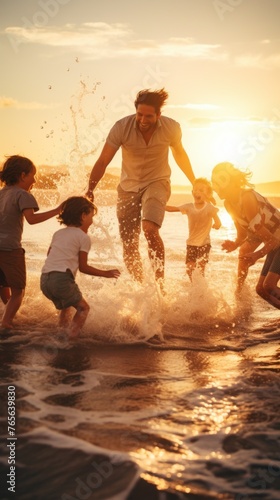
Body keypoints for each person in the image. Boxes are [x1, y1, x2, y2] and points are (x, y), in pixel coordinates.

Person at [86, 88, 195, 286]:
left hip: (157, 182)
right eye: (139, 115)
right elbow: (103, 161)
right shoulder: (121, 127)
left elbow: (180, 154)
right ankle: (141, 288)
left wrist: (194, 182)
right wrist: (90, 190)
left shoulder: (171, 128)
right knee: (129, 244)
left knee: (150, 229)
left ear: (158, 115)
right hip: (127, 187)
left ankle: (160, 287)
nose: (143, 120)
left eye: (149, 116)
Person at [40, 196, 121, 338]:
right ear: (83, 216)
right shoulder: (83, 237)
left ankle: (61, 331)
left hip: (45, 280)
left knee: (66, 306)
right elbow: (83, 267)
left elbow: (49, 255)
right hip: (61, 280)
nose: (92, 221)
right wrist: (105, 273)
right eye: (91, 216)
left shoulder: (58, 233)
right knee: (83, 308)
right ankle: (70, 338)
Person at [0, 155, 63, 329]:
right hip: (11, 250)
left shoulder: (1, 193)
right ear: (22, 175)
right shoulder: (23, 195)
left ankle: (7, 313)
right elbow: (32, 219)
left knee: (3, 284)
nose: (34, 180)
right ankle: (6, 322)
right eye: (32, 175)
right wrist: (57, 210)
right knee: (18, 290)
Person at [211, 162, 280, 309]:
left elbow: (272, 240)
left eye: (217, 182)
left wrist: (257, 255)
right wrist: (235, 243)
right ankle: (239, 293)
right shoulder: (229, 204)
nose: (215, 188)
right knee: (261, 289)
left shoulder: (247, 197)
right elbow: (242, 233)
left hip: (277, 241)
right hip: (275, 242)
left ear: (229, 182)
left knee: (269, 285)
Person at [166, 178, 221, 279]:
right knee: (189, 269)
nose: (197, 192)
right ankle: (195, 288)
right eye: (195, 190)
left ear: (207, 194)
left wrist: (217, 224)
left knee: (200, 268)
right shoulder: (189, 207)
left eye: (201, 190)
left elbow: (218, 221)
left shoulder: (209, 208)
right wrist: (158, 205)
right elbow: (172, 209)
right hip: (191, 244)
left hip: (205, 244)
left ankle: (202, 290)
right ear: (192, 192)